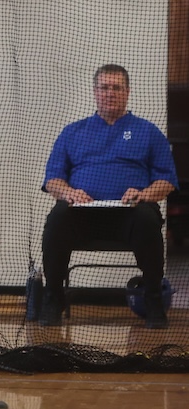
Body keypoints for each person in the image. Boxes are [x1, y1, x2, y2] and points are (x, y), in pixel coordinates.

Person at [40, 64, 178, 329]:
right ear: (95, 91)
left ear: (127, 91)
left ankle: (153, 301)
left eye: (116, 87)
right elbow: (52, 180)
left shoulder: (148, 132)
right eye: (104, 87)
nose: (110, 93)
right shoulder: (72, 132)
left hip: (130, 216)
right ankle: (53, 299)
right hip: (83, 217)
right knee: (57, 217)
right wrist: (69, 192)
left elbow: (167, 181)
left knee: (147, 217)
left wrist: (144, 194)